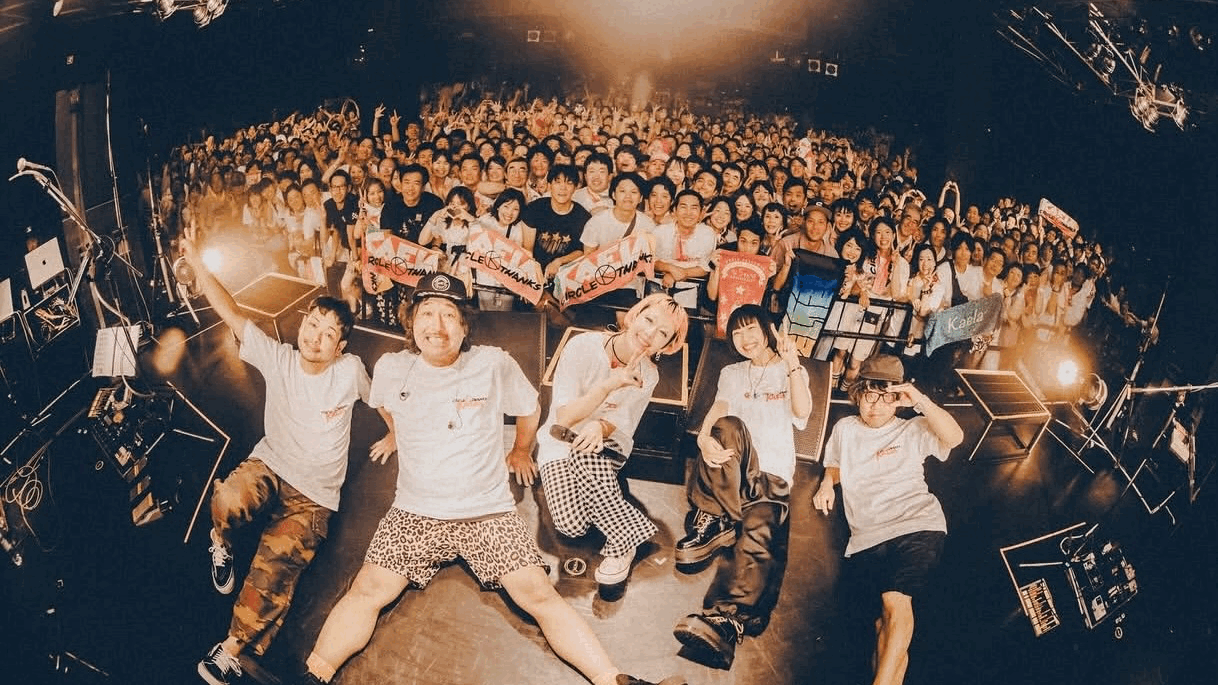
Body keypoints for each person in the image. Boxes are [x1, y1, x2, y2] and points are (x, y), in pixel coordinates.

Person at [297, 274, 684, 685]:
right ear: (411, 321)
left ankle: (614, 680)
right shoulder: (392, 368)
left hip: (488, 512)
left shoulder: (493, 363)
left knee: (540, 596)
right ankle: (314, 675)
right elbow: (383, 404)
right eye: (427, 313)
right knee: (367, 590)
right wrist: (396, 433)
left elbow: (530, 409)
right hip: (414, 511)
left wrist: (520, 451)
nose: (437, 326)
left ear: (464, 326)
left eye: (449, 315)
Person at [181, 223, 379, 685]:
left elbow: (383, 400)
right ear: (301, 325)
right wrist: (196, 263)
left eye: (328, 334)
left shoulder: (350, 371)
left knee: (275, 573)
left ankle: (230, 650)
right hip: (270, 466)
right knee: (228, 498)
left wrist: (392, 435)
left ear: (340, 347)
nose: (316, 337)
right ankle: (221, 543)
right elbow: (230, 312)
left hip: (313, 498)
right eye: (312, 325)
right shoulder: (279, 358)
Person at [672, 307, 811, 669]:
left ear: (768, 330)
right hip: (732, 470)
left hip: (770, 474)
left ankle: (726, 621)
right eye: (737, 333)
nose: (745, 339)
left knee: (757, 537)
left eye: (751, 329)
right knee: (727, 425)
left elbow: (802, 412)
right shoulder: (731, 373)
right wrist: (703, 438)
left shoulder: (787, 370)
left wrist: (793, 363)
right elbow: (719, 409)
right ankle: (713, 518)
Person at [813, 355, 963, 685]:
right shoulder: (845, 428)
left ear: (898, 399)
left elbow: (954, 437)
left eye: (886, 397)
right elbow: (835, 463)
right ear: (858, 395)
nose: (876, 406)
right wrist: (826, 483)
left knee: (895, 602)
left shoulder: (914, 428)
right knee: (882, 626)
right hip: (866, 536)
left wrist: (921, 401)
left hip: (916, 524)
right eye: (870, 396)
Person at [538, 294, 689, 588]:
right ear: (635, 315)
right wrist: (611, 383)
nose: (650, 334)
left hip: (608, 446)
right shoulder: (582, 347)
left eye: (662, 333)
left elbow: (622, 421)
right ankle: (628, 529)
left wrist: (599, 426)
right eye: (649, 320)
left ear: (667, 345)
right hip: (560, 440)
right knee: (571, 525)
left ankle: (621, 544)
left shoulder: (649, 374)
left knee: (585, 452)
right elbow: (564, 418)